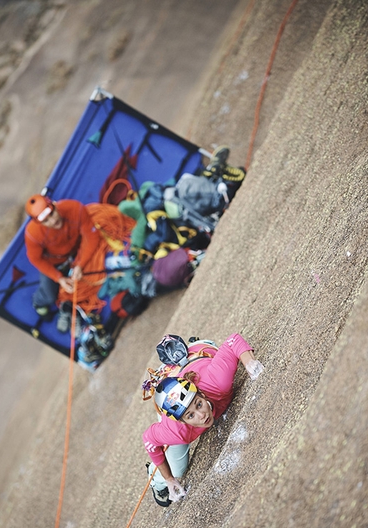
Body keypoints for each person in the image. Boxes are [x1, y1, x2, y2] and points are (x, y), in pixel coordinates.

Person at [142, 333, 264, 506]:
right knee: (178, 470)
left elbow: (233, 340)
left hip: (197, 351)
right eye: (190, 415)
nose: (202, 415)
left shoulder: (216, 383)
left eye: (199, 404)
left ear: (201, 393)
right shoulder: (176, 431)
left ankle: (198, 345)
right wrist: (168, 478)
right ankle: (156, 480)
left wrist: (249, 363)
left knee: (207, 347)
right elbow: (149, 441)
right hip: (170, 390)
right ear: (182, 422)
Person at [24, 194, 135, 335]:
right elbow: (36, 259)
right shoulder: (33, 234)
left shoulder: (74, 208)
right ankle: (39, 302)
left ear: (54, 205)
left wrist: (81, 265)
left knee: (95, 270)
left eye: (52, 214)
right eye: (46, 220)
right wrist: (58, 278)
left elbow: (92, 237)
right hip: (55, 263)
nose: (53, 221)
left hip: (76, 252)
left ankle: (70, 307)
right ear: (39, 223)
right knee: (50, 296)